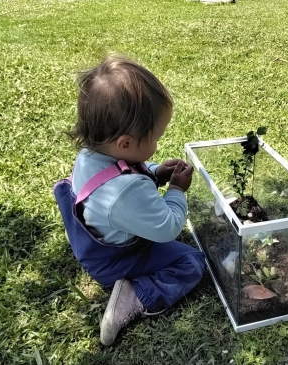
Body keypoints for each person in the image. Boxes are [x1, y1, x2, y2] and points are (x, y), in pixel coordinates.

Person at [53, 55, 206, 346]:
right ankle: (135, 295)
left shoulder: (92, 154)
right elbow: (168, 226)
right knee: (192, 263)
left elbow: (123, 170)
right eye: (156, 138)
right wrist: (176, 189)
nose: (158, 144)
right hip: (118, 261)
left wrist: (157, 172)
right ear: (125, 143)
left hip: (96, 245)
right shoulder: (126, 191)